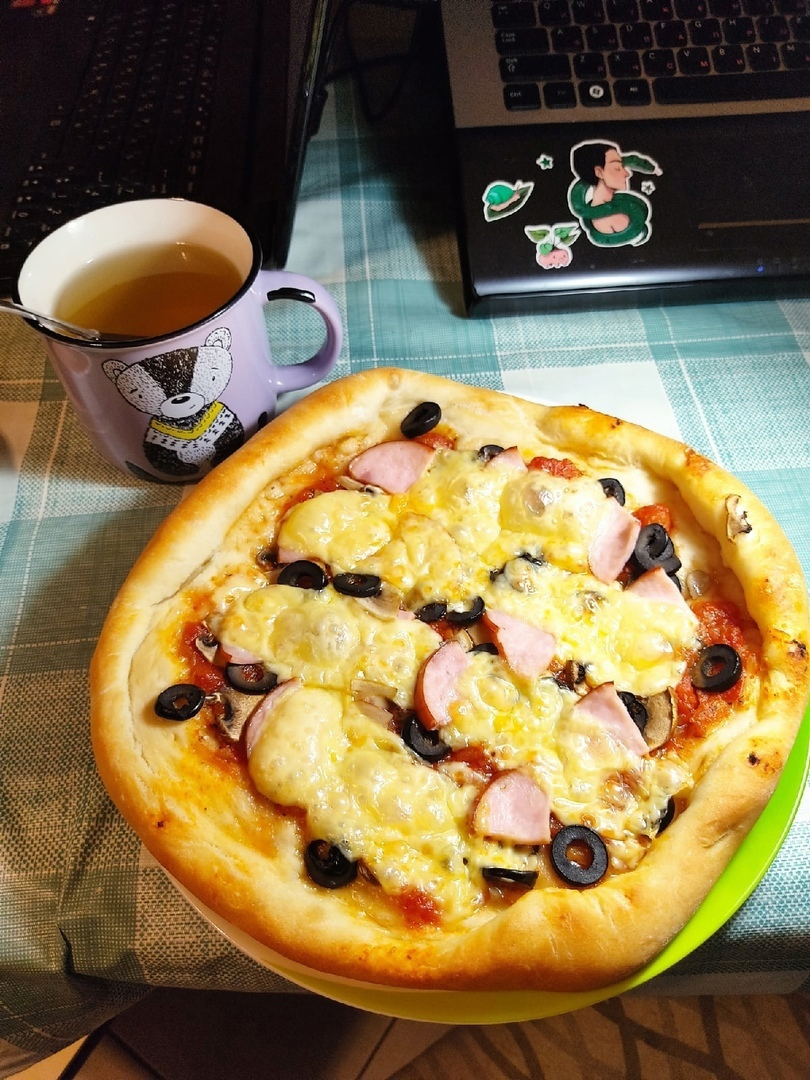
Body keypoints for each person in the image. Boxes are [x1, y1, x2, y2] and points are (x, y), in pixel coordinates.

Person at [567, 141, 661, 248]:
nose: (627, 173)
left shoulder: (621, 206)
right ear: (599, 172)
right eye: (617, 168)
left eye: (622, 166)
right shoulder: (612, 218)